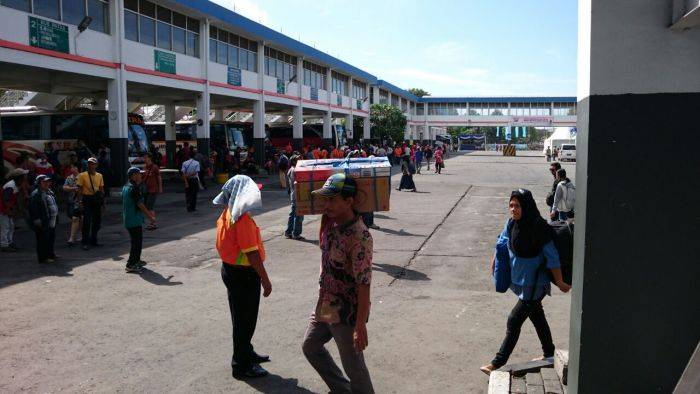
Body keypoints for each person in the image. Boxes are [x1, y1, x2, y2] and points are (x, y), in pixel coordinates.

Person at [480, 189, 571, 375]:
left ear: (526, 206)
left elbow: (552, 258)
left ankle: (497, 363)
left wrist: (560, 282)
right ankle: (550, 353)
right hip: (521, 282)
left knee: (514, 320)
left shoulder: (538, 227)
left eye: (518, 206)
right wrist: (494, 262)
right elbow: (502, 241)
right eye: (511, 205)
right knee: (537, 317)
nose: (513, 209)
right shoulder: (512, 223)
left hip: (535, 283)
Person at [302, 173, 375, 394]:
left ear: (349, 201)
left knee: (355, 368)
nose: (326, 204)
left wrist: (359, 326)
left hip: (346, 312)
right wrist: (320, 298)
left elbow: (364, 284)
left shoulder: (360, 237)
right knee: (311, 346)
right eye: (325, 199)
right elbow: (325, 261)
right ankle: (342, 390)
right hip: (327, 302)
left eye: (332, 199)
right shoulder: (331, 225)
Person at [213, 175, 272, 379]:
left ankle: (247, 352)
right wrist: (265, 279)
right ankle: (241, 365)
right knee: (245, 320)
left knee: (240, 318)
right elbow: (252, 253)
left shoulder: (228, 213)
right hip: (244, 274)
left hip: (231, 271)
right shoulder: (241, 219)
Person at [122, 167, 156, 273]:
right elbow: (140, 204)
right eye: (139, 174)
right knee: (136, 242)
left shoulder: (126, 186)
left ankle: (136, 260)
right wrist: (150, 217)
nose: (141, 176)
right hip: (133, 219)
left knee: (137, 241)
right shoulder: (133, 188)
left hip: (130, 218)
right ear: (133, 175)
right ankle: (131, 264)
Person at [28, 175, 58, 263]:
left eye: (48, 182)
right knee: (42, 240)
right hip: (42, 221)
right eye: (44, 182)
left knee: (50, 238)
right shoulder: (36, 194)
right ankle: (43, 258)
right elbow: (33, 209)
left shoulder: (49, 192)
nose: (47, 183)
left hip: (51, 220)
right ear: (38, 183)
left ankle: (51, 254)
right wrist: (37, 220)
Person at [76, 157, 104, 250]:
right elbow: (79, 190)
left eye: (93, 164)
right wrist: (80, 202)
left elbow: (101, 190)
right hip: (86, 199)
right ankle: (85, 242)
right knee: (87, 221)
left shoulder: (99, 175)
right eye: (89, 164)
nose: (91, 165)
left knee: (97, 221)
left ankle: (94, 240)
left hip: (96, 200)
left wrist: (102, 203)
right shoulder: (82, 175)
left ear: (96, 165)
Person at [1, 168, 28, 252]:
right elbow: (6, 199)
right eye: (24, 176)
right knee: (5, 227)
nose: (25, 177)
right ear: (19, 177)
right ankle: (4, 244)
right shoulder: (10, 186)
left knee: (11, 226)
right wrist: (9, 211)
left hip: (6, 209)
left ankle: (9, 242)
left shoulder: (15, 185)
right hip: (2, 210)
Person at [284, 155, 304, 240]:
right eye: (298, 159)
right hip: (297, 194)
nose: (300, 160)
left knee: (293, 214)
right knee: (299, 215)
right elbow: (297, 183)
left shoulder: (290, 170)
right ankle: (296, 233)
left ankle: (288, 232)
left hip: (293, 194)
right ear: (294, 161)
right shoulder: (295, 170)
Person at [62, 165, 82, 246]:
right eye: (71, 168)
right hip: (72, 201)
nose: (72, 169)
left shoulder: (82, 177)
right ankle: (80, 233)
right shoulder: (69, 178)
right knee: (73, 217)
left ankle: (72, 237)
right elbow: (64, 187)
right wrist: (73, 188)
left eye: (74, 167)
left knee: (75, 218)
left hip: (80, 201)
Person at [142, 153, 162, 230]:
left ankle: (153, 223)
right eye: (144, 158)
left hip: (153, 190)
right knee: (147, 207)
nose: (144, 159)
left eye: (145, 158)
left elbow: (159, 178)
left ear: (149, 158)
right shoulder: (145, 167)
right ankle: (152, 222)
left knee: (149, 207)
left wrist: (160, 188)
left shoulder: (154, 167)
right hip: (146, 190)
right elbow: (143, 178)